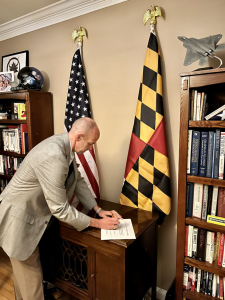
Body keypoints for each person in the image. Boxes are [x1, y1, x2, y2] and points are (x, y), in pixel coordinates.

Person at [0, 117, 122, 300]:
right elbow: (60, 209)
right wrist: (98, 223)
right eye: (90, 143)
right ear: (79, 137)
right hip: (18, 222)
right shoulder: (54, 155)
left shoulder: (65, 145)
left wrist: (97, 209)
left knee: (24, 280)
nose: (90, 148)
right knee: (31, 283)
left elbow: (78, 180)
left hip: (29, 215)